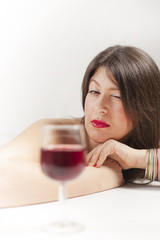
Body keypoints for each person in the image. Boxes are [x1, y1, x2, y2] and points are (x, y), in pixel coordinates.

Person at [0, 45, 160, 208]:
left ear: (145, 108)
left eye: (117, 96)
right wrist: (101, 177)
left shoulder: (149, 143)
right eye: (94, 92)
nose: (100, 107)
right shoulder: (57, 134)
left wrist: (138, 159)